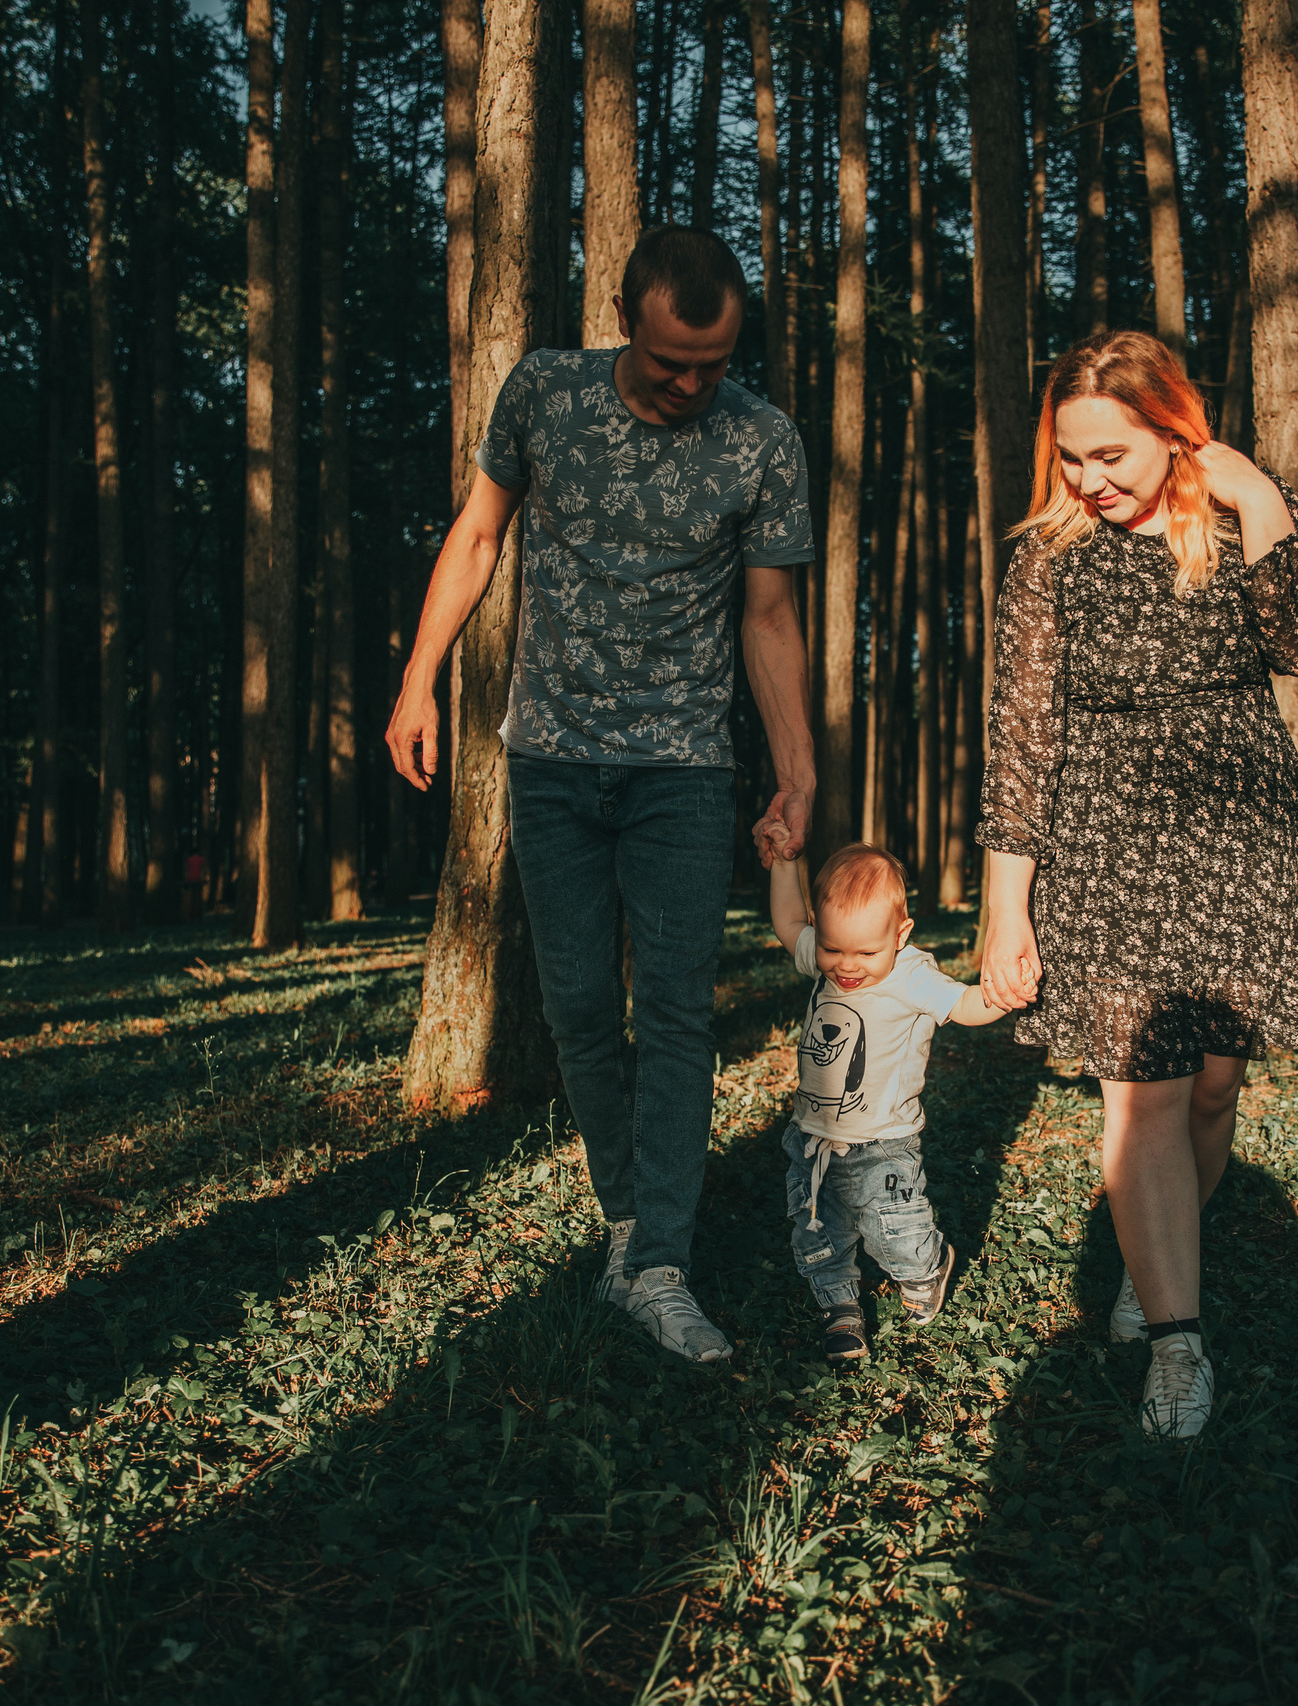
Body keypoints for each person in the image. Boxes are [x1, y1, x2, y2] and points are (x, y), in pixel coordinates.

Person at [384, 227, 814, 1366]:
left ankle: (662, 1262)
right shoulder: (543, 391)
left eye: (713, 364)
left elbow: (770, 617)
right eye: (672, 360)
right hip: (552, 759)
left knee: (674, 1012)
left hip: (683, 765)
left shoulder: (764, 441)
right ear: (627, 313)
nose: (690, 385)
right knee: (578, 1008)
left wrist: (796, 765)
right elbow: (478, 537)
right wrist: (419, 677)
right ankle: (630, 1225)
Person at [974, 330, 1298, 1439]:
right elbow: (1021, 734)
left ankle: (1154, 1260)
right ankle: (1178, 1341)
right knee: (1139, 1088)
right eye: (1071, 457)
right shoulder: (1049, 554)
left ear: (1172, 431)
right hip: (1101, 835)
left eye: (1113, 456)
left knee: (1212, 1089)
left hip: (1237, 837)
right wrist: (1007, 904)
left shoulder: (1236, 516)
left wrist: (1265, 507)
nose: (1091, 480)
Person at [756, 836, 1009, 1363]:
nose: (846, 966)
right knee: (817, 1233)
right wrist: (786, 863)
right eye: (832, 949)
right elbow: (786, 924)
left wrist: (1001, 993)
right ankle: (841, 1310)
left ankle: (927, 1268)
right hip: (813, 1141)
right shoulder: (829, 956)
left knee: (899, 1234)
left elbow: (962, 1004)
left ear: (901, 935)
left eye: (867, 952)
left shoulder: (910, 973)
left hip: (884, 1144)